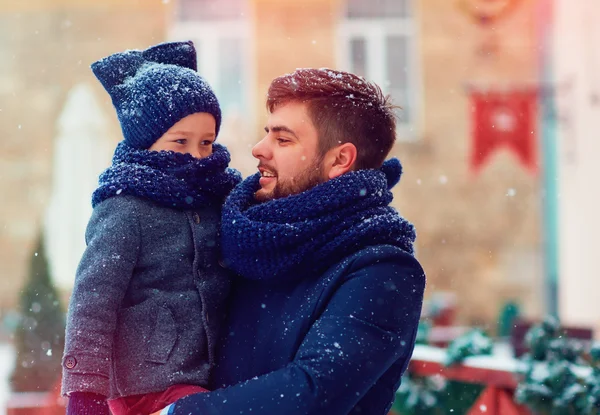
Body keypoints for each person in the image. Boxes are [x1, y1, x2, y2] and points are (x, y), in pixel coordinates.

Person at [158, 68, 426, 415]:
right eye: (266, 133)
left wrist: (176, 413)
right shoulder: (246, 239)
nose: (258, 149)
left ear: (339, 160)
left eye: (282, 140)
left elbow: (311, 393)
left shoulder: (384, 269)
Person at [60, 41, 241, 415]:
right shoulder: (125, 208)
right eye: (180, 142)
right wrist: (84, 393)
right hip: (146, 384)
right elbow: (93, 302)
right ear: (146, 142)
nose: (197, 155)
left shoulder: (219, 198)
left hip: (208, 377)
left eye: (207, 142)